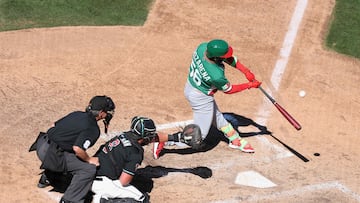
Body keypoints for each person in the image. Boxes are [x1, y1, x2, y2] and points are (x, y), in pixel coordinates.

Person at [153, 39, 262, 159]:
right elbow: (228, 90)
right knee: (198, 136)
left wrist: (246, 71)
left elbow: (228, 58)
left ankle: (235, 139)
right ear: (215, 58)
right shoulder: (215, 75)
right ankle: (165, 140)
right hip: (201, 98)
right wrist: (249, 85)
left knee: (217, 117)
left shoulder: (203, 48)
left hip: (191, 86)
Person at [31, 95, 116, 203]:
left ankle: (48, 177)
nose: (108, 114)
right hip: (50, 155)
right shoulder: (93, 129)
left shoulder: (77, 114)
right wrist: (89, 160)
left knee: (69, 151)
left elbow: (53, 126)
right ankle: (70, 200)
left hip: (41, 143)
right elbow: (78, 149)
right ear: (101, 113)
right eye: (107, 111)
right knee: (88, 169)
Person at [91, 116, 159, 203]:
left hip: (88, 174)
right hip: (101, 183)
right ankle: (101, 200)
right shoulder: (135, 152)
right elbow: (123, 182)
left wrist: (173, 137)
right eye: (151, 135)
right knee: (141, 199)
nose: (152, 137)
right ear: (145, 137)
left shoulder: (123, 135)